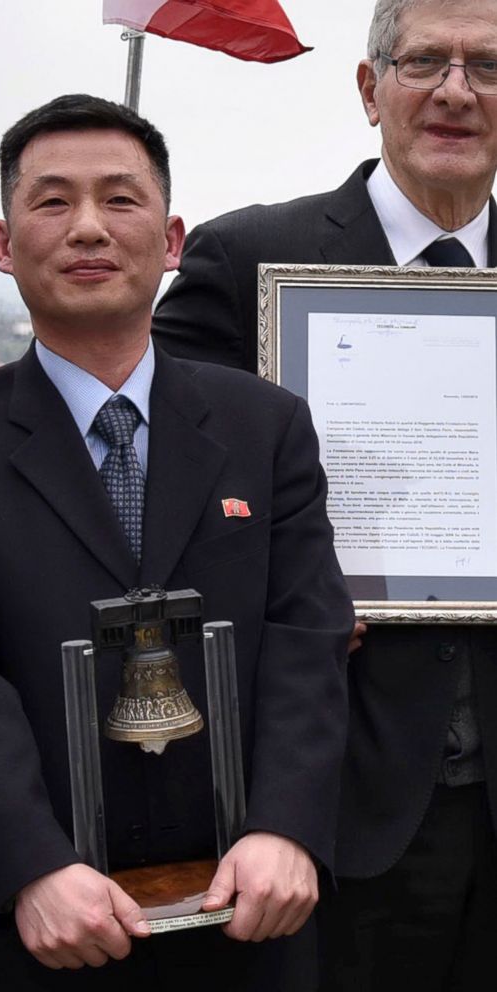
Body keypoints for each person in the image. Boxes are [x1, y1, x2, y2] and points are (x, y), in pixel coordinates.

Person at [0, 93, 351, 992]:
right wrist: (28, 865)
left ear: (172, 241)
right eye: (52, 201)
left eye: (120, 199)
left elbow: (306, 638)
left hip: (244, 911)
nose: (88, 227)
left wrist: (285, 828)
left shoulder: (268, 426)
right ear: (3, 244)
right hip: (32, 928)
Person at [153, 1, 497, 988]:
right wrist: (278, 579)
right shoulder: (248, 261)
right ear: (366, 87)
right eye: (423, 60)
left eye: (485, 66)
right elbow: (147, 481)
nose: (453, 92)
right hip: (326, 808)